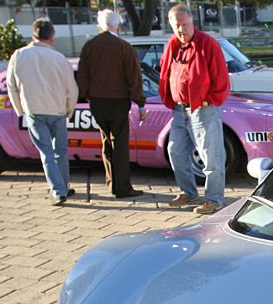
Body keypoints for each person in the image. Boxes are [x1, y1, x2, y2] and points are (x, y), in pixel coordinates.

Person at [158, 5, 230, 215]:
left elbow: (221, 79)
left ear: (192, 23)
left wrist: (209, 100)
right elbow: (165, 71)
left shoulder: (208, 44)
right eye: (177, 26)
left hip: (203, 109)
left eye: (185, 25)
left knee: (211, 157)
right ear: (172, 26)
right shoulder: (172, 44)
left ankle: (214, 200)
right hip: (179, 110)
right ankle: (189, 192)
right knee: (175, 151)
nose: (181, 30)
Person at [6, 18, 78, 206]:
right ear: (51, 36)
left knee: (46, 152)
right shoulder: (59, 58)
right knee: (60, 151)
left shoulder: (19, 55)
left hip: (33, 110)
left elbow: (11, 86)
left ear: (33, 35)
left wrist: (20, 109)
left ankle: (58, 190)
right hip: (58, 110)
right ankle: (63, 185)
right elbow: (72, 88)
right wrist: (69, 110)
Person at [76, 8, 147, 199]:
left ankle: (111, 183)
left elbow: (82, 75)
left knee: (106, 141)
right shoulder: (124, 47)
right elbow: (134, 76)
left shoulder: (90, 46)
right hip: (118, 101)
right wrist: (140, 103)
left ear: (99, 25)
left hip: (97, 101)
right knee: (120, 143)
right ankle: (123, 187)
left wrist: (86, 95)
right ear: (118, 25)